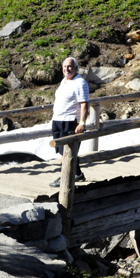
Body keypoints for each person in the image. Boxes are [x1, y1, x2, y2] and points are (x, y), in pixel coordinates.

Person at [49, 57, 89, 188]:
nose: (67, 69)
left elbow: (84, 104)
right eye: (65, 66)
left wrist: (82, 122)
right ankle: (77, 174)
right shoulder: (64, 81)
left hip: (70, 120)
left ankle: (64, 177)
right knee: (62, 150)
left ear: (76, 68)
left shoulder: (80, 83)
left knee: (66, 151)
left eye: (70, 66)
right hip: (58, 120)